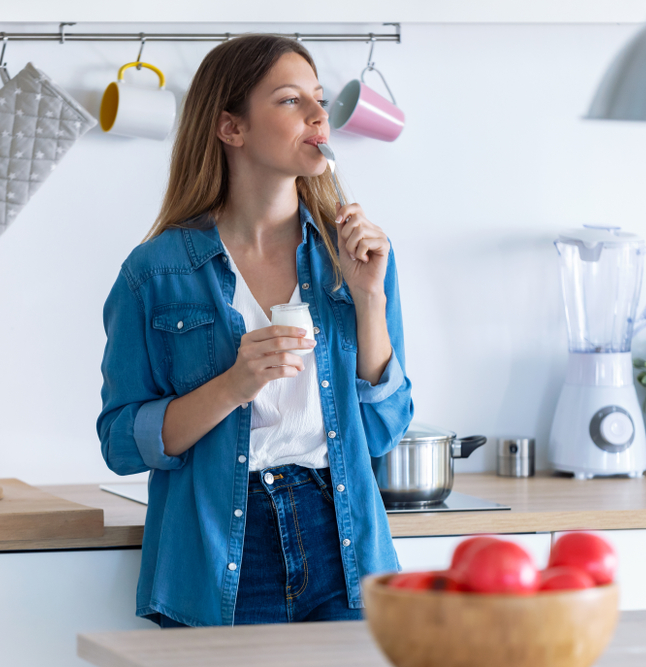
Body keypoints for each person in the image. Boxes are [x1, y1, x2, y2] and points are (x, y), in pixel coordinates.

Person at [96, 34, 414, 627]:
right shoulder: (156, 274)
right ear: (231, 128)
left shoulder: (356, 260)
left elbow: (382, 431)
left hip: (341, 540)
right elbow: (119, 441)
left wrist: (370, 302)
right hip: (221, 548)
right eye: (291, 101)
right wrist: (234, 385)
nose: (320, 116)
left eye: (319, 100)